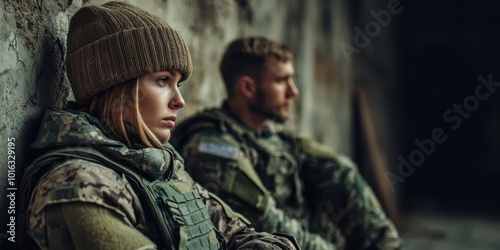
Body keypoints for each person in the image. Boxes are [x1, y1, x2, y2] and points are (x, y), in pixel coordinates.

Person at [17, 3, 301, 250]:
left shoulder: (157, 163)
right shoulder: (78, 185)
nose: (179, 101)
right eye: (163, 80)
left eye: (179, 84)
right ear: (115, 86)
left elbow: (237, 233)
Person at [171, 37, 404, 250]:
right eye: (282, 81)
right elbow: (267, 223)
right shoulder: (213, 149)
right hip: (270, 242)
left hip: (302, 233)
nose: (294, 91)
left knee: (342, 172)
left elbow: (339, 173)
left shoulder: (270, 136)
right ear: (248, 88)